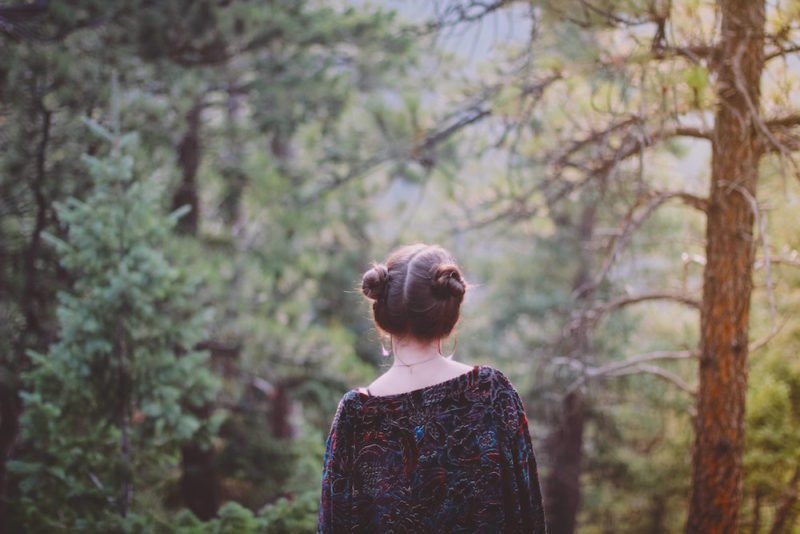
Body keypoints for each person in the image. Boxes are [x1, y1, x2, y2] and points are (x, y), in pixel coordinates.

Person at [317, 243, 548, 533]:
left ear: (383, 313)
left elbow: (335, 524)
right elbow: (527, 513)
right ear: (449, 314)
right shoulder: (491, 394)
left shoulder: (356, 415)